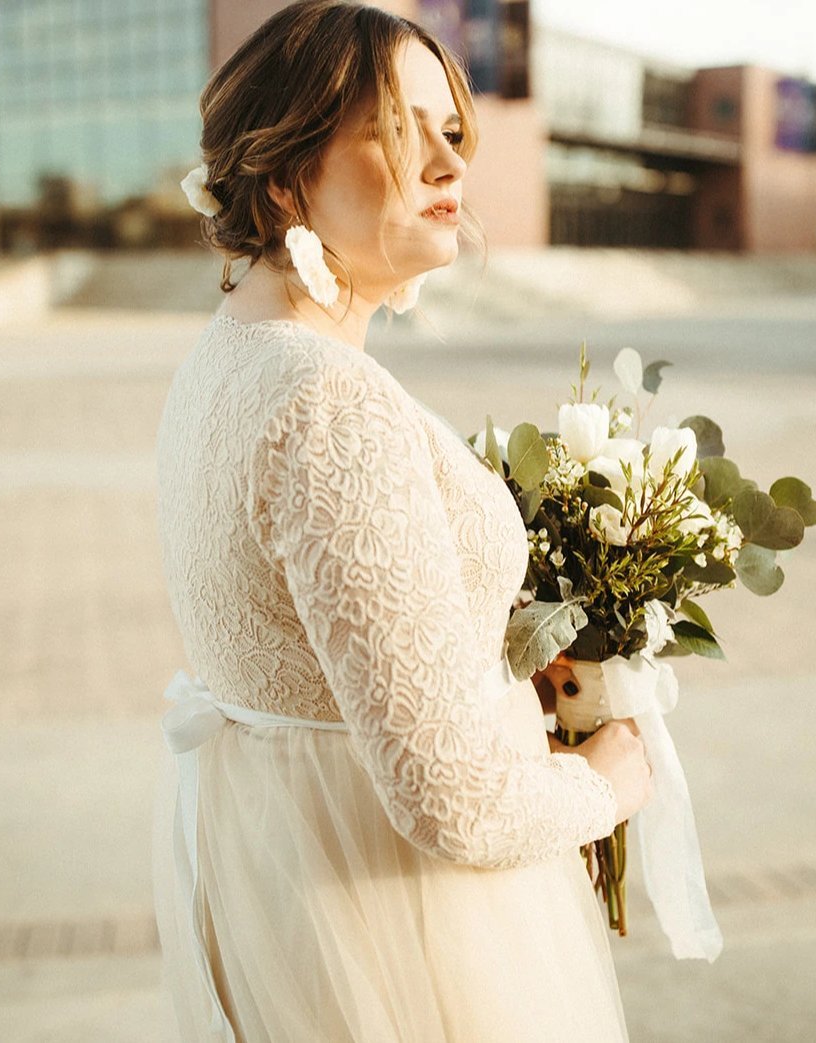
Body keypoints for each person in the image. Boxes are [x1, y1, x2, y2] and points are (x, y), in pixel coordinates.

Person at [152, 2, 653, 1039]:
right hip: (395, 930)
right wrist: (603, 781)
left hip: (295, 885)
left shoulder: (226, 357)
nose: (443, 164)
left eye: (451, 130)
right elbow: (452, 802)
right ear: (285, 172)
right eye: (395, 129)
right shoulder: (328, 403)